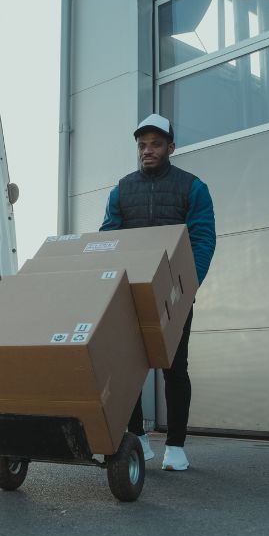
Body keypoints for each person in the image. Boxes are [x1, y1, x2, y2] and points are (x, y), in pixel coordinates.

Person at [100, 114, 216, 472]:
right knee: (128, 368)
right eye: (142, 145)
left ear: (170, 147)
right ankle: (138, 439)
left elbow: (202, 239)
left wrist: (187, 286)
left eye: (155, 144)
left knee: (174, 368)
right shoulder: (122, 189)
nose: (147, 151)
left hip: (174, 296)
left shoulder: (192, 187)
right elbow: (108, 237)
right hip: (129, 294)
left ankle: (176, 447)